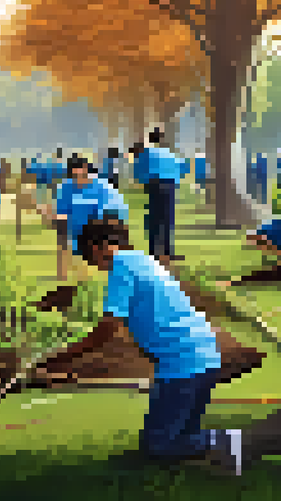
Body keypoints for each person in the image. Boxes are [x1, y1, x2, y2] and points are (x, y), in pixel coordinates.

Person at [42, 217, 241, 476]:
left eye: (89, 255)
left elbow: (106, 331)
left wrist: (59, 358)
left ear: (101, 247)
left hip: (184, 364)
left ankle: (225, 440)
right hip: (203, 356)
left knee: (158, 445)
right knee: (176, 435)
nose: (92, 264)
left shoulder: (121, 268)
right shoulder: (143, 260)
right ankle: (211, 449)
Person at [53, 156, 129, 281]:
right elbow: (61, 213)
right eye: (75, 176)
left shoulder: (103, 188)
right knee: (62, 233)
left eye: (81, 175)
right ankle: (64, 274)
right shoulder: (65, 188)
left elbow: (112, 215)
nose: (78, 180)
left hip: (102, 228)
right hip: (78, 230)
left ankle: (114, 269)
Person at [135, 130, 189, 263]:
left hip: (154, 184)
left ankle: (153, 251)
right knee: (167, 218)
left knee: (154, 217)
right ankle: (167, 251)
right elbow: (182, 169)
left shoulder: (146, 152)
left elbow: (139, 170)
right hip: (169, 184)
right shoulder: (171, 153)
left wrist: (143, 181)